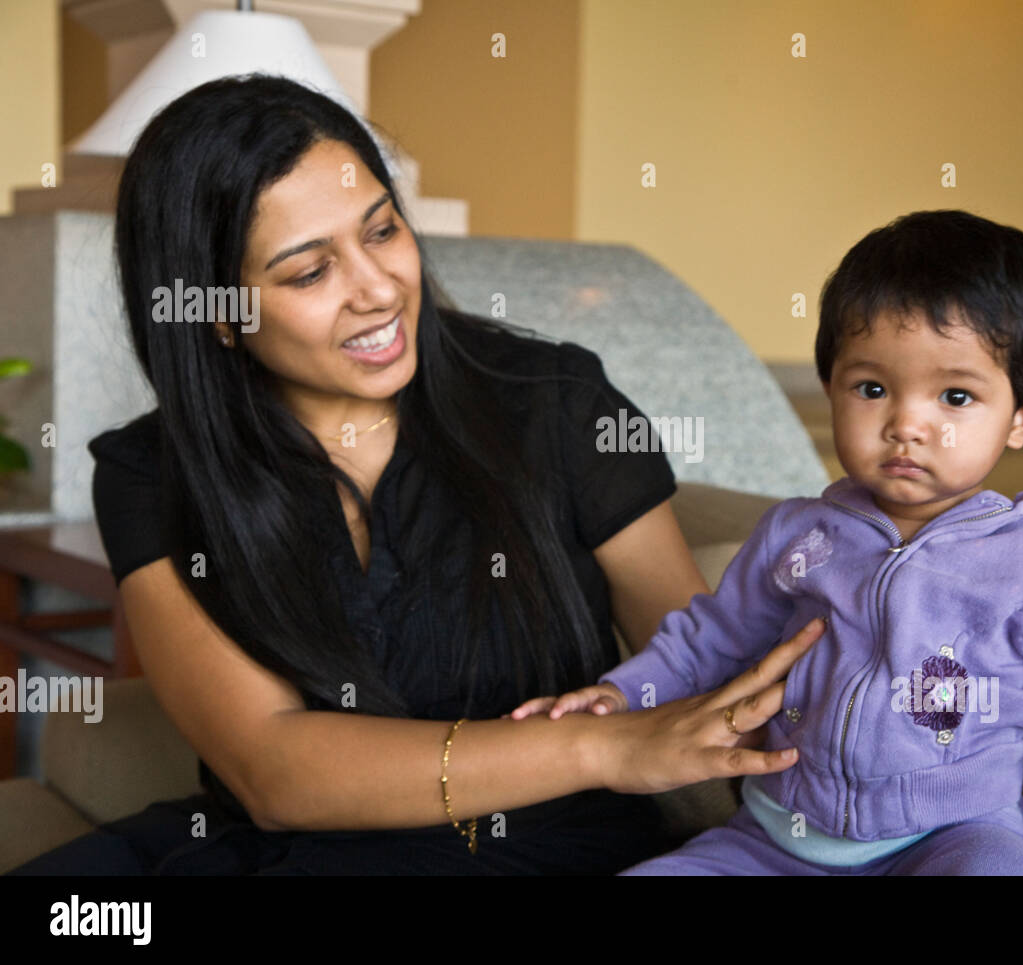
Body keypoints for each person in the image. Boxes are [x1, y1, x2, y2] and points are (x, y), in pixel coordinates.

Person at [6, 73, 822, 876]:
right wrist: (598, 745)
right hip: (267, 850)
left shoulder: (554, 403)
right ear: (218, 314)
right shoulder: (152, 473)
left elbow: (707, 663)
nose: (376, 289)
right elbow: (272, 768)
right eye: (308, 272)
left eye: (383, 230)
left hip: (539, 849)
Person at [517, 210, 1023, 876]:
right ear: (830, 388)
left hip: (954, 838)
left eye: (956, 397)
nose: (906, 423)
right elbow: (708, 641)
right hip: (771, 840)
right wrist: (619, 695)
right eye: (872, 387)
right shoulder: (798, 534)